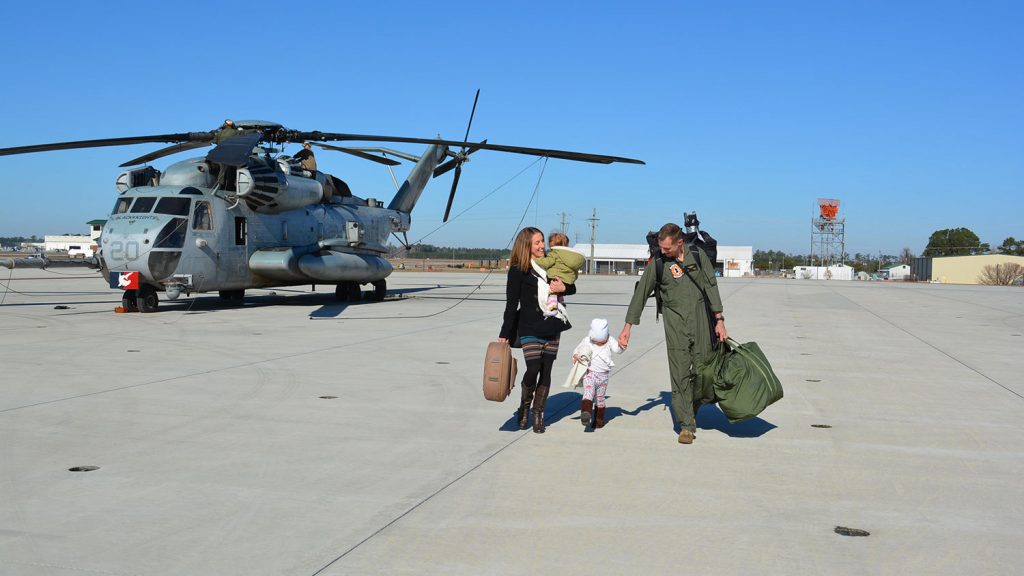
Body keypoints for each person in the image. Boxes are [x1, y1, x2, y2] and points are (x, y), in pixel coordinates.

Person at [618, 223, 727, 444]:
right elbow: (640, 294)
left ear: (680, 243)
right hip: (675, 325)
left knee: (704, 371)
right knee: (679, 375)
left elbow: (711, 287)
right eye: (661, 247)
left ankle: (691, 407)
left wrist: (720, 321)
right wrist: (627, 327)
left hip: (700, 322)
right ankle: (686, 425)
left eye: (667, 248)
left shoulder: (697, 256)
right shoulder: (658, 262)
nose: (663, 251)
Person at [499, 227, 575, 433]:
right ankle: (525, 407)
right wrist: (504, 334)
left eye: (542, 241)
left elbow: (571, 283)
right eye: (537, 243)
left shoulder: (552, 264)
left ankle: (539, 413)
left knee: (546, 370)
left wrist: (564, 289)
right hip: (529, 326)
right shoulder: (518, 270)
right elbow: (511, 304)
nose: (542, 246)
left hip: (553, 324)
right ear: (527, 246)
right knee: (533, 368)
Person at [572, 318, 623, 430]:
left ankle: (599, 421)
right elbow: (577, 349)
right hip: (590, 374)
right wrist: (575, 355)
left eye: (602, 341)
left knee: (600, 399)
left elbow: (618, 349)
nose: (599, 343)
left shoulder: (610, 340)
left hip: (604, 377)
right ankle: (586, 414)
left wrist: (622, 345)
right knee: (588, 394)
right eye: (596, 341)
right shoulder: (587, 340)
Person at [533, 231, 585, 319]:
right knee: (557, 294)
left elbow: (547, 263)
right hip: (568, 280)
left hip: (555, 277)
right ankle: (560, 303)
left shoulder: (555, 253)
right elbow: (574, 274)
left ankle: (552, 309)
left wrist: (536, 259)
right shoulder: (569, 257)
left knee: (552, 293)